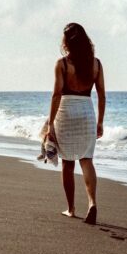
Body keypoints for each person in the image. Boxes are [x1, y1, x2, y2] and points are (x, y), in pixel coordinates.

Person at [46, 23, 105, 225]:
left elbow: (56, 95)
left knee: (67, 163)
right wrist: (100, 122)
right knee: (86, 159)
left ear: (66, 42)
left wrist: (50, 123)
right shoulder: (96, 64)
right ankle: (92, 203)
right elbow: (102, 95)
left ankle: (71, 208)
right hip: (87, 112)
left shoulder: (62, 64)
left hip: (66, 111)